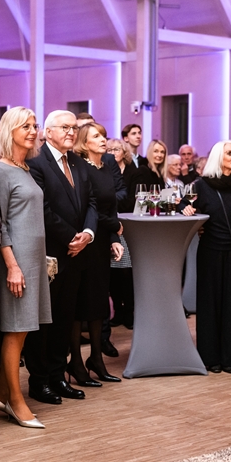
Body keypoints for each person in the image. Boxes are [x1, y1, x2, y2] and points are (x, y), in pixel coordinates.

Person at [25, 110, 97, 405]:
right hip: (51, 254)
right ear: (48, 131)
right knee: (43, 322)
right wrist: (72, 237)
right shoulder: (36, 164)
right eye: (65, 127)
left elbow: (91, 201)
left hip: (77, 253)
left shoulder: (78, 163)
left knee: (65, 320)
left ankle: (58, 376)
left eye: (74, 127)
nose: (71, 132)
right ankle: (38, 382)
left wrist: (88, 234)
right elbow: (43, 211)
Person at [0, 107, 50, 428]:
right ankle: (15, 401)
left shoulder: (23, 167)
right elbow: (0, 224)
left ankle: (0, 394)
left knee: (23, 330)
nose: (32, 130)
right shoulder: (1, 170)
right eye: (24, 125)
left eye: (34, 125)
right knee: (15, 330)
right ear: (8, 129)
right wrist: (12, 265)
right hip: (17, 261)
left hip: (34, 258)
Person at [181, 141, 231, 372]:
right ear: (219, 156)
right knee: (209, 306)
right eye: (230, 153)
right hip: (210, 250)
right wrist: (185, 209)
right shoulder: (202, 185)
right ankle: (210, 358)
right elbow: (181, 203)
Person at [68, 123, 123, 386]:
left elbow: (111, 207)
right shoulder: (81, 168)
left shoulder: (107, 166)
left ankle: (97, 360)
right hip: (85, 240)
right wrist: (114, 227)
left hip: (102, 242)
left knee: (100, 302)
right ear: (83, 142)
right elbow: (87, 208)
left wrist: (113, 237)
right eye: (96, 136)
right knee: (81, 304)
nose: (103, 140)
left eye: (103, 135)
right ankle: (76, 363)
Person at [107, 139, 135, 333]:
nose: (112, 152)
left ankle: (130, 312)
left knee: (126, 270)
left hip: (128, 225)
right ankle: (117, 310)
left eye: (116, 149)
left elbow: (133, 199)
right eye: (108, 149)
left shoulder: (133, 172)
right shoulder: (104, 169)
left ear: (124, 151)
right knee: (113, 272)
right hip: (110, 223)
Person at [127, 139, 167, 210]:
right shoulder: (143, 171)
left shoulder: (159, 173)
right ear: (150, 152)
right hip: (141, 214)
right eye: (156, 151)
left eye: (162, 152)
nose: (159, 155)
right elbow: (135, 198)